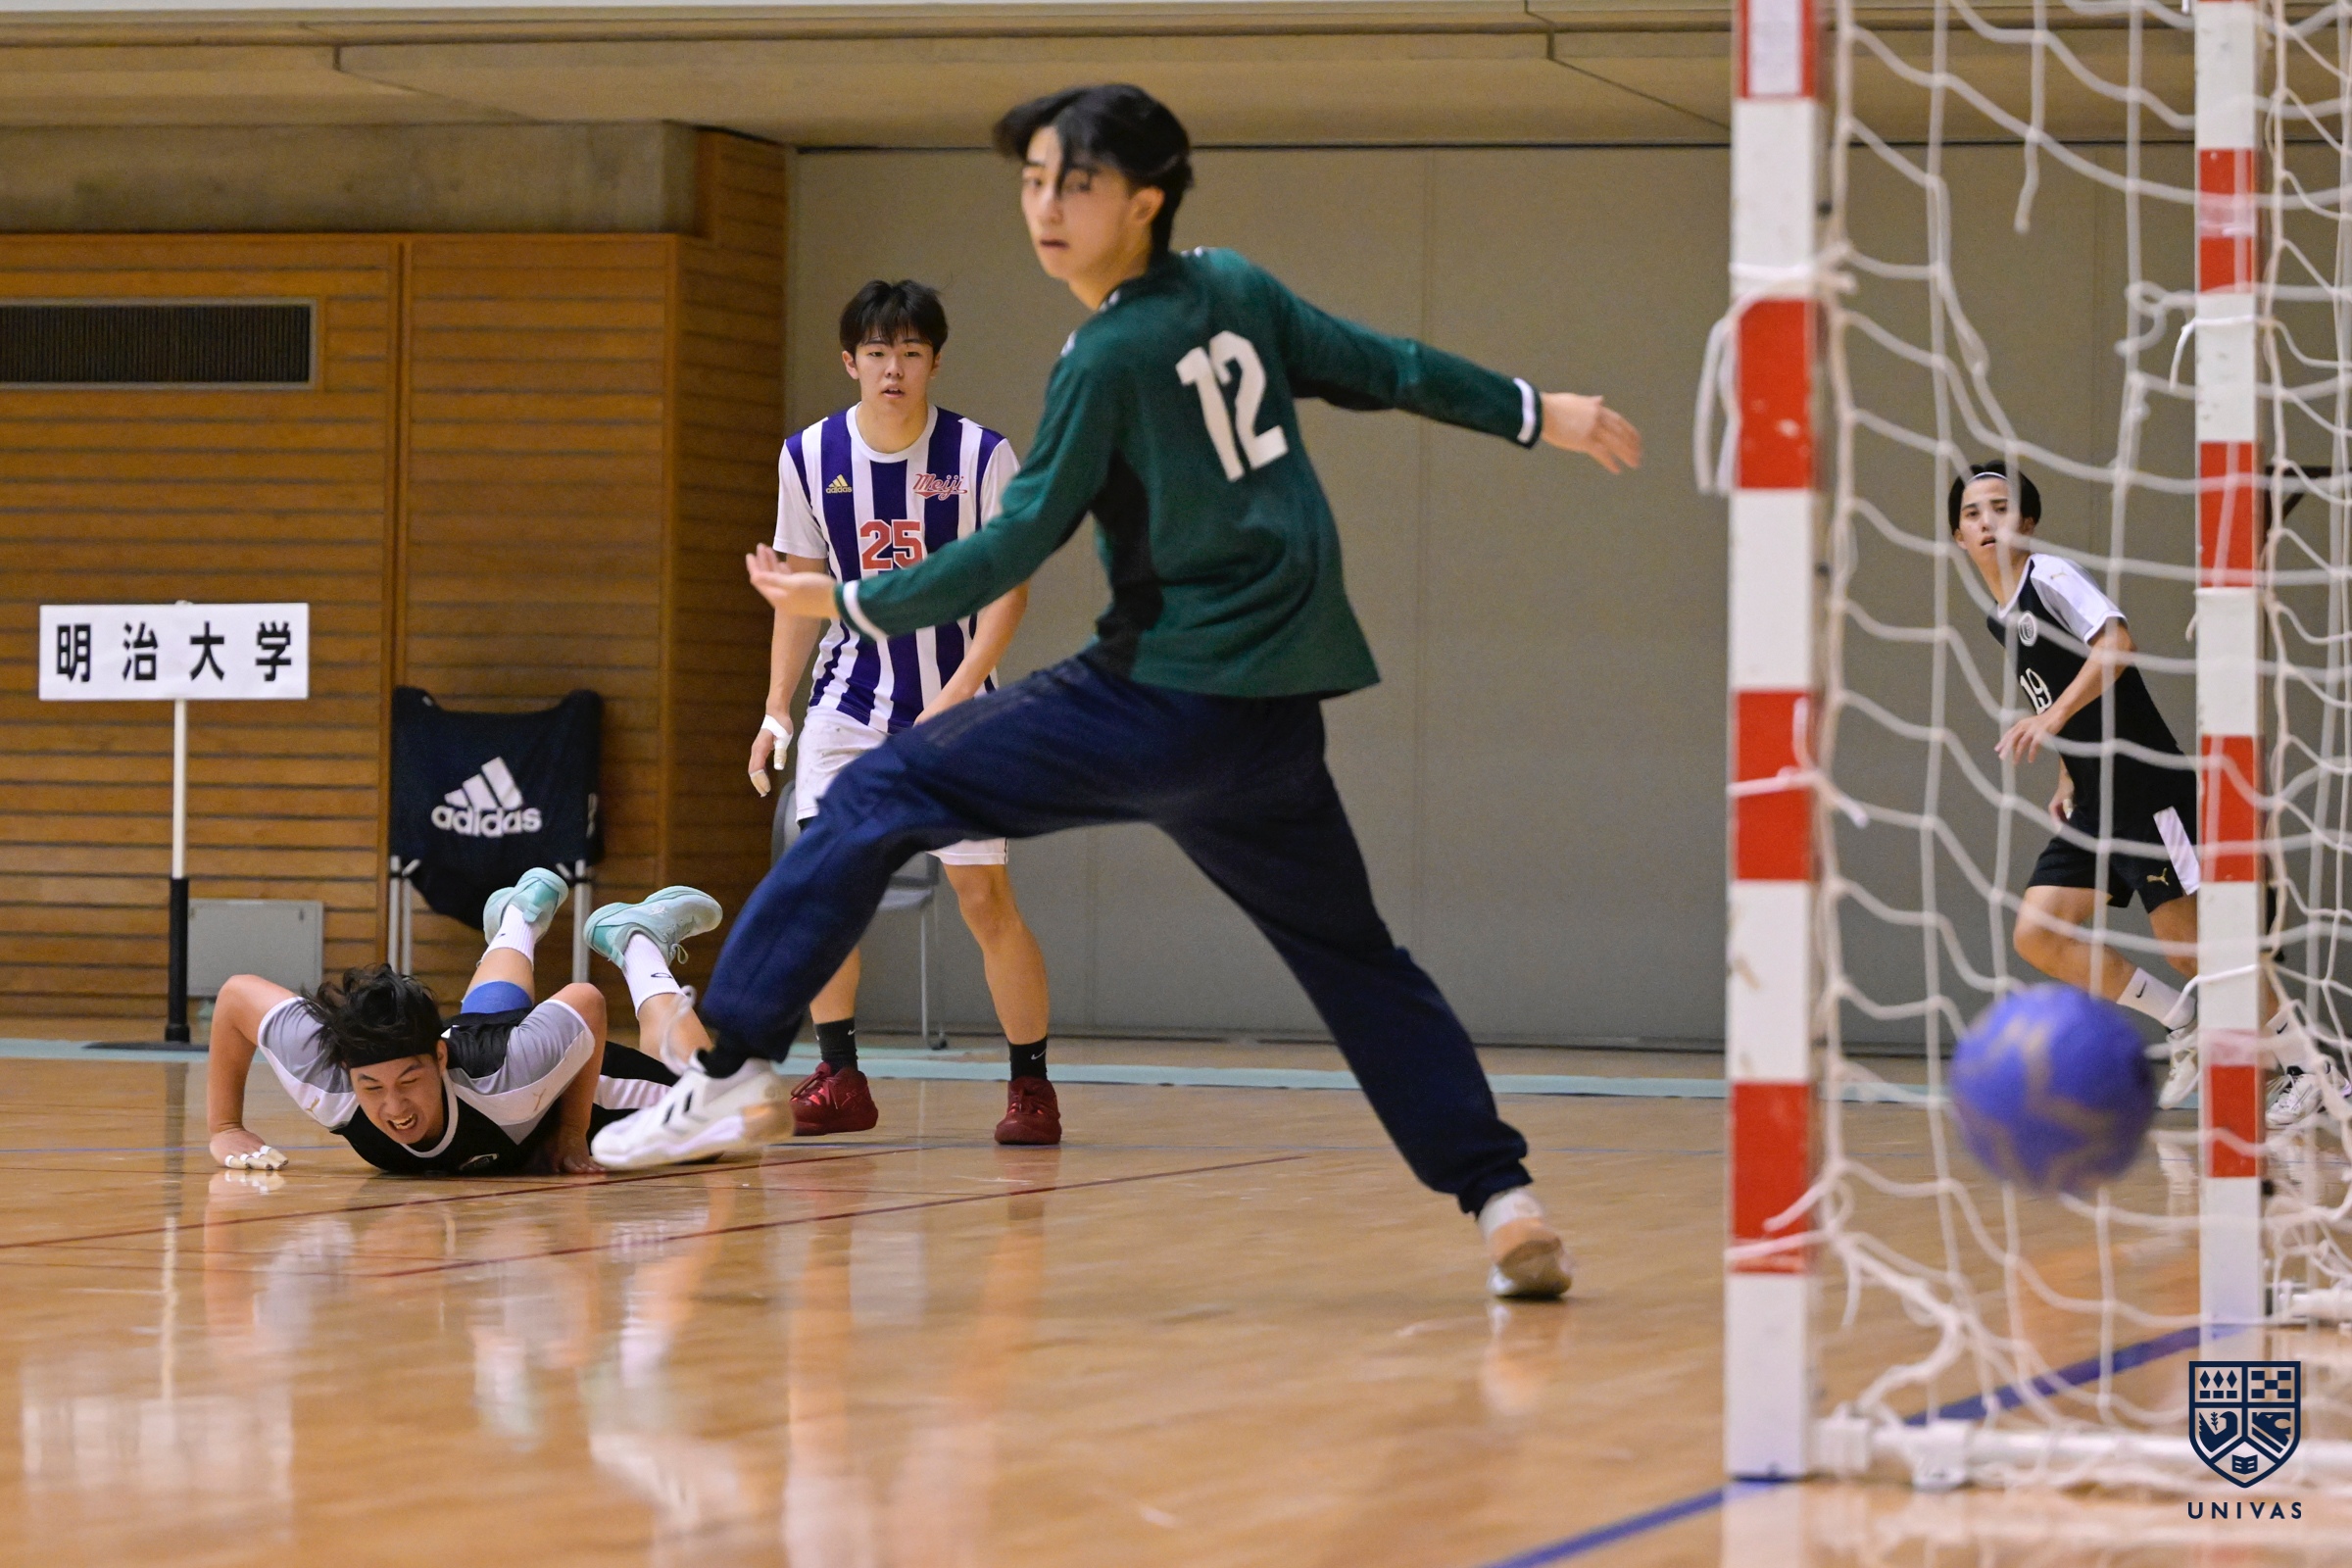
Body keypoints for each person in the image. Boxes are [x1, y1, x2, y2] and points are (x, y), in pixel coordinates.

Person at [596, 83, 1642, 1301]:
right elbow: (1385, 366)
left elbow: (1014, 541)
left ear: (1144, 202)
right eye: (1033, 180)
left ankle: (728, 1063)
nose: (1044, 205)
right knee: (1359, 961)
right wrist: (1541, 412)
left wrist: (844, 601)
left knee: (877, 792)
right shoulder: (1237, 288)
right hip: (1269, 727)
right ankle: (1504, 1201)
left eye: (1074, 183)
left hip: (1154, 702)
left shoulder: (1104, 356)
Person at [748, 278, 1058, 1146]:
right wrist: (776, 710)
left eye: (911, 353)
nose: (894, 369)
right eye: (878, 353)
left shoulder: (981, 456)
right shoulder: (808, 456)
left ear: (934, 363)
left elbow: (1008, 594)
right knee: (823, 886)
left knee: (982, 896)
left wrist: (954, 702)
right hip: (847, 704)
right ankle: (840, 1076)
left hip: (957, 701)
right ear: (850, 361)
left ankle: (1031, 1086)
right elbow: (799, 595)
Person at [1950, 463, 2330, 1113]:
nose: (1988, 521)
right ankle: (2185, 1023)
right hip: (2095, 797)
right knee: (2039, 932)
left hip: (2143, 784)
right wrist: (2067, 769)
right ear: (1959, 537)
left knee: (2193, 950)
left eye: (2001, 507)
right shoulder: (2000, 617)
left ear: (2028, 521)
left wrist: (2052, 719)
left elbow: (2117, 645)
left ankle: (2310, 1071)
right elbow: (2057, 688)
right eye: (1972, 513)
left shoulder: (2050, 576)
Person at [206, 870, 757, 1174]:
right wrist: (225, 1128)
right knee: (486, 1025)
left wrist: (571, 1132)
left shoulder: (513, 1077)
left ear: (437, 1058)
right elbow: (235, 998)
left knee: (722, 1119)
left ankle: (636, 939)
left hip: (558, 1081)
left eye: (408, 1081)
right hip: (487, 1050)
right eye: (371, 1087)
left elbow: (586, 1002)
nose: (393, 1107)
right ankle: (520, 913)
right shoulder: (329, 1071)